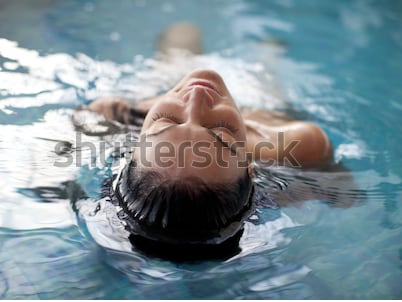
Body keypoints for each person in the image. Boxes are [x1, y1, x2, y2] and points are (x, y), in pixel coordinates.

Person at [74, 23, 332, 256]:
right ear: (249, 168)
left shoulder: (114, 116)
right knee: (267, 61)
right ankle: (268, 58)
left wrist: (146, 106)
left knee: (182, 34)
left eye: (165, 120)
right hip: (261, 112)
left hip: (151, 98)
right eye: (220, 131)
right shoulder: (297, 145)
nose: (196, 97)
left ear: (132, 148)